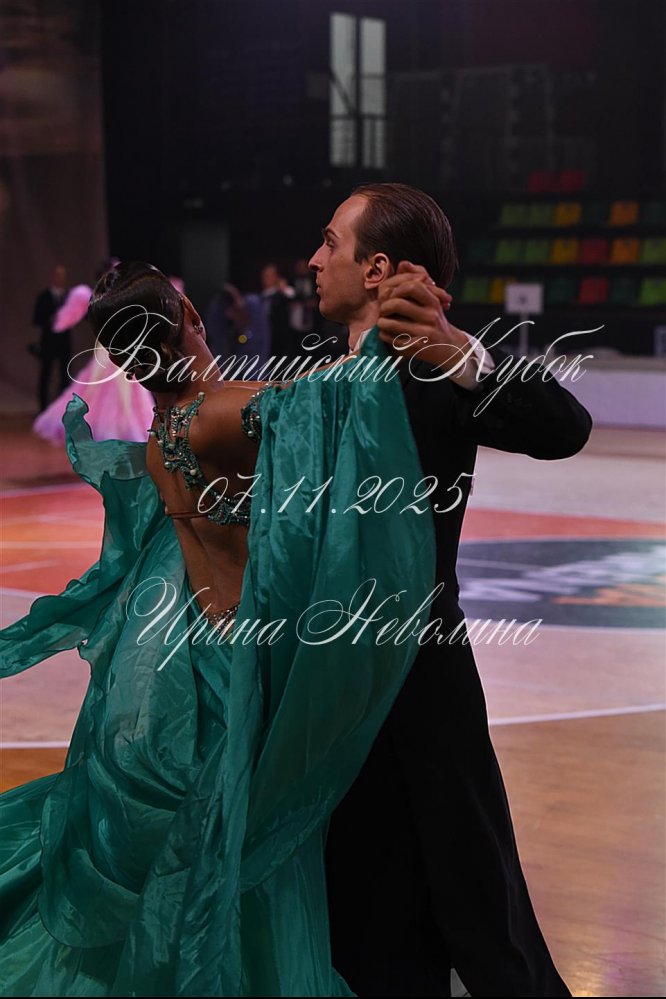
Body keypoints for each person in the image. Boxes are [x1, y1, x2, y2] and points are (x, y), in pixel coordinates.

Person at [0, 261, 443, 996]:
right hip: (243, 655)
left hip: (184, 656)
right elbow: (329, 401)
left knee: (210, 824)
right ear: (193, 323)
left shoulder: (159, 439)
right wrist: (382, 333)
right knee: (243, 829)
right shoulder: (225, 413)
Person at [310, 182, 593, 998]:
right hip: (330, 681)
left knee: (478, 894)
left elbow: (564, 428)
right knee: (363, 901)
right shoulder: (315, 377)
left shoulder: (437, 370)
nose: (313, 259)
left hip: (422, 675)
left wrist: (462, 353)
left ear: (378, 269)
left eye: (330, 242)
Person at [32, 281, 156, 444]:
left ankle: (123, 429)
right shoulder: (104, 304)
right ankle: (108, 429)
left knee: (124, 393)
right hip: (110, 353)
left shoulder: (124, 304)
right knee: (101, 390)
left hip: (122, 353)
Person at [32, 264, 70, 412]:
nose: (60, 279)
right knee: (45, 375)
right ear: (53, 277)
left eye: (63, 276)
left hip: (64, 343)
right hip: (48, 342)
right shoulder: (44, 297)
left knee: (65, 376)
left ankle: (63, 410)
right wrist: (50, 319)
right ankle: (43, 409)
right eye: (58, 275)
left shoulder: (69, 297)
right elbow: (36, 319)